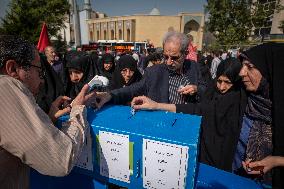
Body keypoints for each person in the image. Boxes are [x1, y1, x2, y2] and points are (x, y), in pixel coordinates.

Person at [0, 35, 96, 189]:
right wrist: (78, 109)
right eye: (40, 72)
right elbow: (60, 160)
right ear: (12, 69)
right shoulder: (4, 86)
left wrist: (47, 120)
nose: (42, 80)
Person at [131, 57, 245, 172]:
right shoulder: (213, 89)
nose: (222, 87)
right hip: (205, 151)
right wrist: (156, 106)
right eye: (219, 81)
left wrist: (157, 105)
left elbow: (201, 109)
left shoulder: (239, 98)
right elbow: (198, 108)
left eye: (227, 82)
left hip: (224, 155)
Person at [95, 31, 206, 107]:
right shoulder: (153, 72)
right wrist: (110, 95)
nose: (168, 62)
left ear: (185, 53)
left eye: (174, 58)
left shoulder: (194, 67)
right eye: (165, 56)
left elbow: (204, 89)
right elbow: (133, 89)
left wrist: (196, 89)